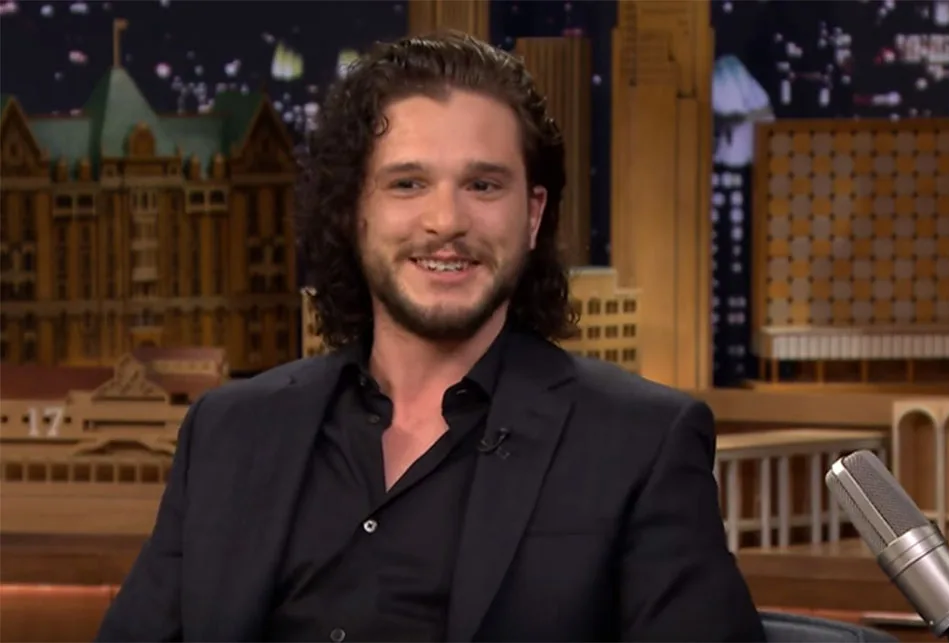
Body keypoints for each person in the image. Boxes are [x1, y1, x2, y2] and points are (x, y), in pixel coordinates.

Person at [96, 31, 765, 643]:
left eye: (482, 184)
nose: (446, 220)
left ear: (532, 215)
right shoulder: (230, 431)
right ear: (356, 209)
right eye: (408, 183)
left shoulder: (639, 442)